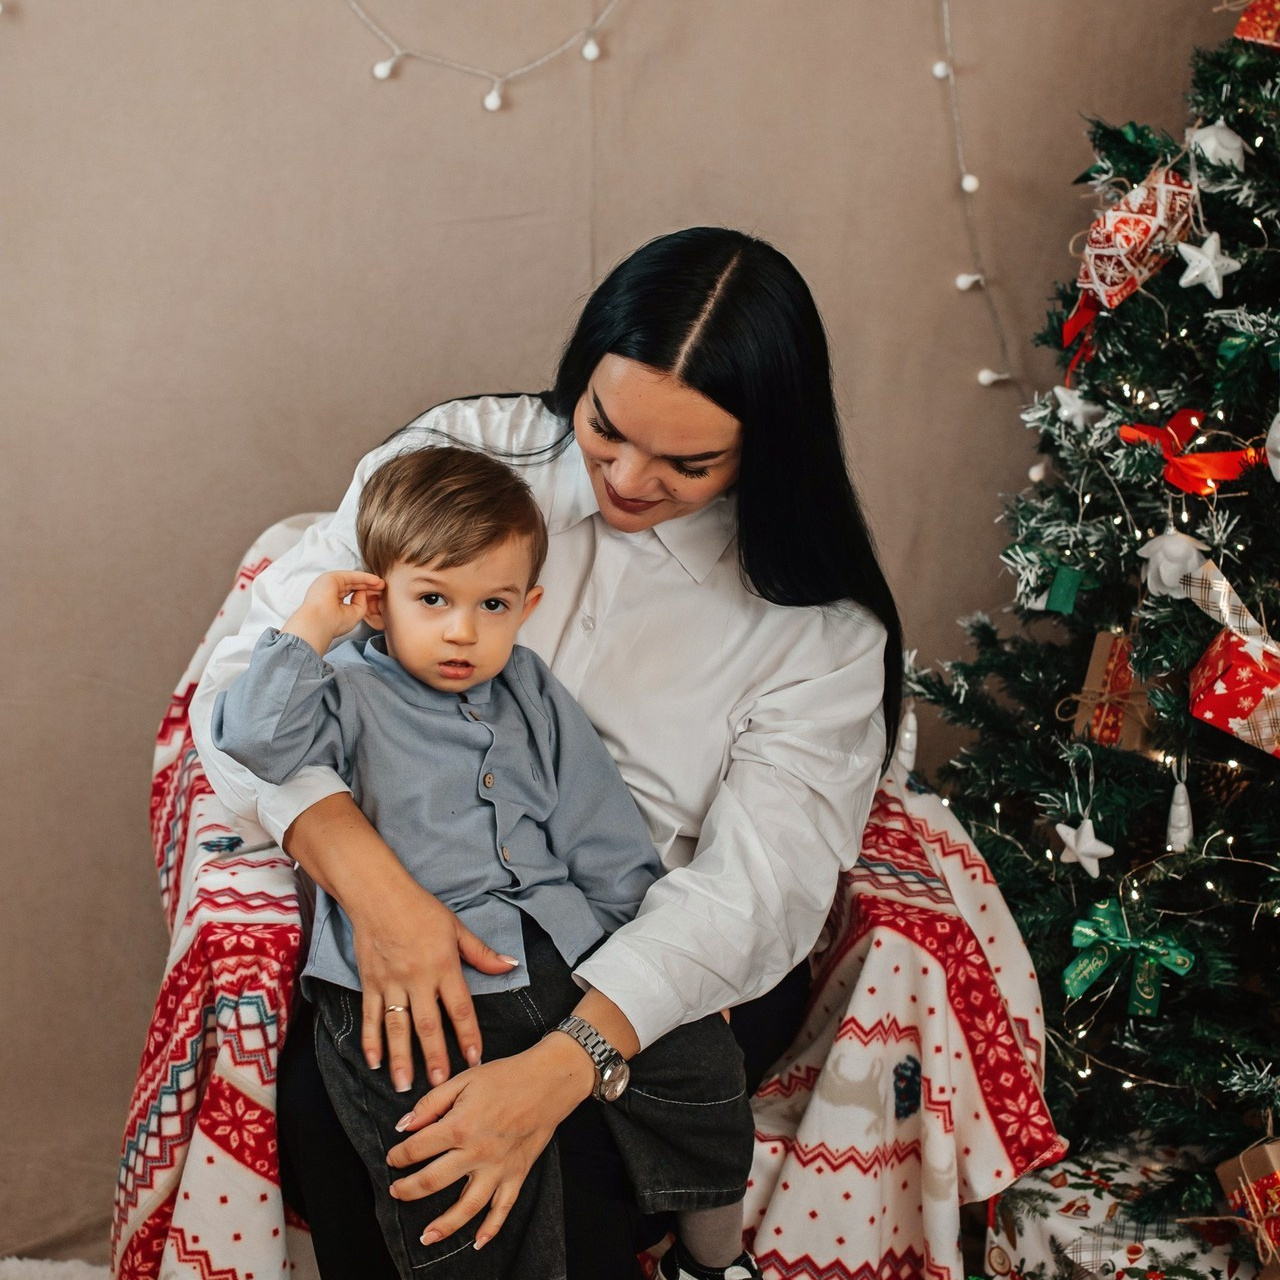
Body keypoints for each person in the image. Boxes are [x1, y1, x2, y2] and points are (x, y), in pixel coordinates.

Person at [189, 226, 903, 1279]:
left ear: (768, 446)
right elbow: (246, 683)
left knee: (558, 1169)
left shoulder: (818, 626)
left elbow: (760, 889)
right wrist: (376, 891)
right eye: (604, 427)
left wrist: (570, 1060)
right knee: (351, 1122)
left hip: (644, 944)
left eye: (686, 461)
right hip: (414, 894)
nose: (624, 474)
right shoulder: (462, 454)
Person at [209, 446, 761, 1280]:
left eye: (492, 604)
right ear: (378, 598)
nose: (462, 631)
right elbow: (253, 741)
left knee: (704, 1067)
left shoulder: (531, 690)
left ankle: (712, 1263)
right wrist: (311, 626)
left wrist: (667, 967)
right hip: (410, 983)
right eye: (431, 599)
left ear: (526, 606)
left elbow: (600, 830)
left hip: (564, 948)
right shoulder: (342, 686)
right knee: (440, 1158)